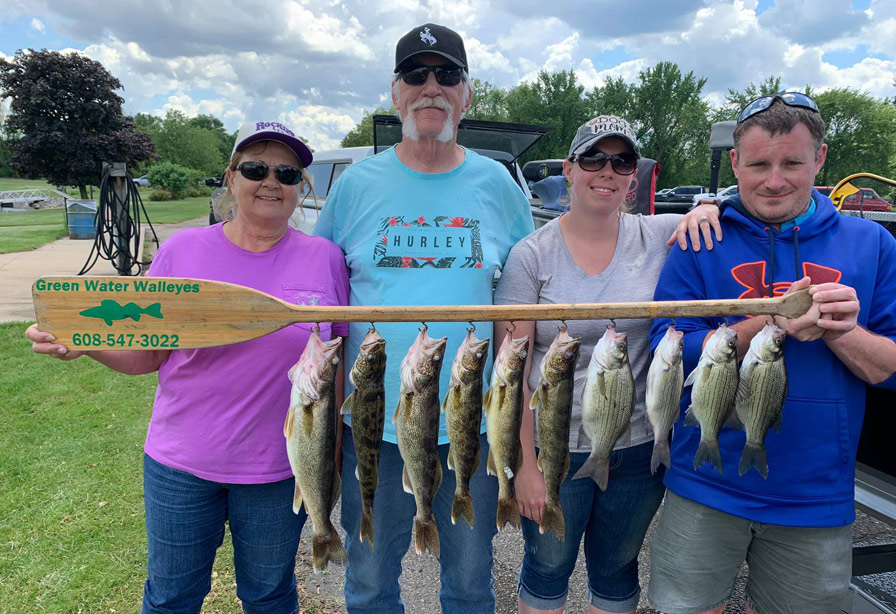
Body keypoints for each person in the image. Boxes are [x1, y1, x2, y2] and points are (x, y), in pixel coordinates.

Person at [26, 121, 350, 614]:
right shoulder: (184, 251)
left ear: (301, 186)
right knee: (172, 597)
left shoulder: (324, 259)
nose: (271, 182)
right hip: (181, 466)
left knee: (268, 596)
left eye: (286, 172)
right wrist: (81, 344)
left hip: (278, 470)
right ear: (230, 178)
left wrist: (335, 453)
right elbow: (147, 355)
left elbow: (338, 365)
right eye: (255, 168)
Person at [311, 22, 536, 614]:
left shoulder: (497, 183)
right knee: (368, 580)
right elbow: (314, 284)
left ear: (466, 94)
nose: (430, 87)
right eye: (416, 74)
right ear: (394, 92)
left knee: (468, 584)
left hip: (473, 423)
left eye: (447, 75)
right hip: (373, 425)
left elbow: (532, 283)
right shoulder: (357, 184)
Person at [648, 93, 896, 614]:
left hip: (816, 495)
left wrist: (837, 331)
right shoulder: (701, 240)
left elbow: (892, 368)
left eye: (792, 163)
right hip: (704, 480)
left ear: (821, 159)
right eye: (759, 164)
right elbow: (665, 348)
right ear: (735, 163)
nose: (774, 180)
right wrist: (765, 322)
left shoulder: (873, 245)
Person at [493, 115, 722, 614]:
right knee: (547, 566)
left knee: (617, 570)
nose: (607, 171)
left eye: (621, 161)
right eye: (594, 158)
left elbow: (742, 212)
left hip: (640, 447)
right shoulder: (530, 256)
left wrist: (709, 205)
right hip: (557, 447)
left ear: (633, 178)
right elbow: (510, 374)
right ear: (569, 170)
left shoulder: (662, 234)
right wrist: (525, 466)